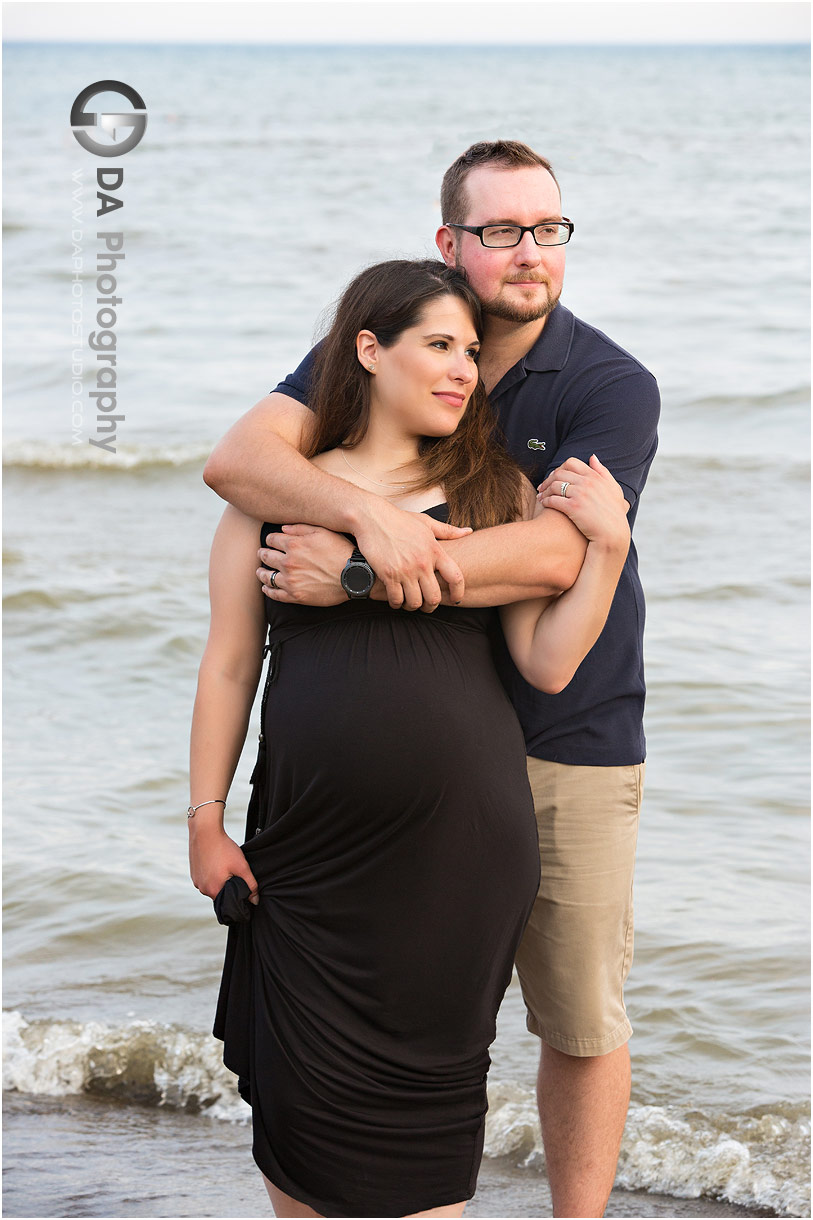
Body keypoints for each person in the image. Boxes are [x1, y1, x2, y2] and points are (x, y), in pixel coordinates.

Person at [203, 141, 660, 1218]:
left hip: (564, 742)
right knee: (333, 1057)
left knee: (576, 1012)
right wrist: (356, 509)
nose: (531, 252)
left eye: (549, 228)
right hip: (364, 803)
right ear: (450, 242)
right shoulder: (383, 348)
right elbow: (239, 463)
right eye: (503, 230)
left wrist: (360, 571)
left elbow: (551, 559)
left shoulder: (605, 384)